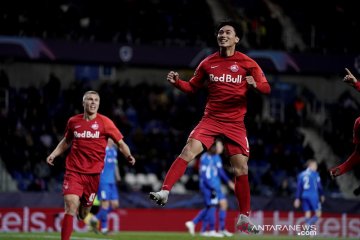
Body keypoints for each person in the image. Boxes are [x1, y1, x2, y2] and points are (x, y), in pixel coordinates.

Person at [149, 20, 271, 234]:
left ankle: (244, 218)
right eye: (220, 32)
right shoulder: (207, 63)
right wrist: (178, 82)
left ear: (236, 39)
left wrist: (256, 85)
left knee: (241, 168)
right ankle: (165, 192)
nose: (223, 35)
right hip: (211, 119)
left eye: (228, 32)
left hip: (235, 123)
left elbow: (267, 88)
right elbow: (191, 88)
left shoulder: (248, 63)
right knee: (188, 150)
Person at [46, 90, 135, 240]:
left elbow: (121, 143)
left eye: (96, 100)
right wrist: (54, 154)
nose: (93, 102)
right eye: (90, 99)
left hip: (93, 175)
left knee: (83, 213)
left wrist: (129, 155)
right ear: (83, 103)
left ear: (99, 104)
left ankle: (86, 214)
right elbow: (66, 141)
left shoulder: (106, 123)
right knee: (70, 205)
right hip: (73, 171)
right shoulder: (73, 121)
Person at [185, 139, 234, 237]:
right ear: (214, 147)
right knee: (211, 206)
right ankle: (208, 229)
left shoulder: (217, 157)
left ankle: (220, 229)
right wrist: (212, 187)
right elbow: (205, 175)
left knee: (222, 204)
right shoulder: (205, 158)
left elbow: (220, 172)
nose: (222, 148)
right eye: (220, 146)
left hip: (216, 185)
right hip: (209, 186)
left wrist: (229, 182)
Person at [89, 139, 122, 234]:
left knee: (115, 205)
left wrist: (118, 176)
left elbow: (115, 165)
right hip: (103, 181)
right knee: (105, 205)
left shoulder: (114, 151)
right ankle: (104, 229)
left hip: (112, 182)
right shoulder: (102, 150)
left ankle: (95, 218)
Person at [294, 159, 325, 226]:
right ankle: (308, 224)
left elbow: (299, 188)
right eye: (315, 165)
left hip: (304, 195)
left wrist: (297, 198)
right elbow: (319, 186)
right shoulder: (315, 174)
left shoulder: (301, 174)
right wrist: (322, 195)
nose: (316, 167)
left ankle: (308, 231)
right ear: (310, 166)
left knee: (307, 212)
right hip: (313, 195)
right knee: (318, 213)